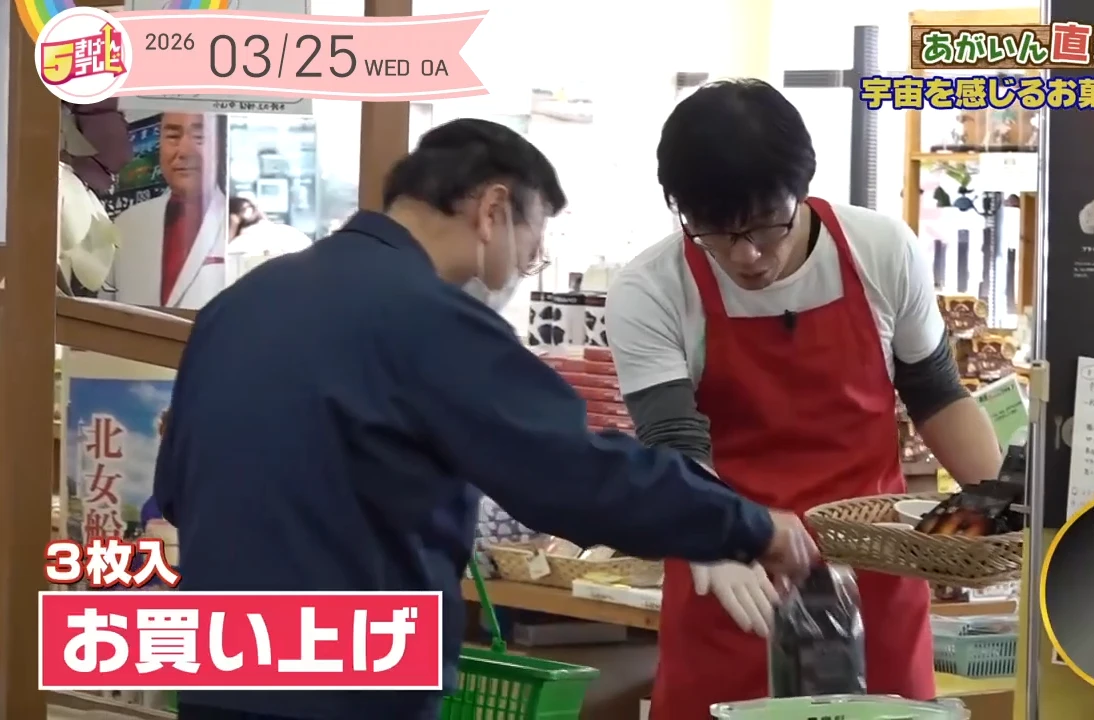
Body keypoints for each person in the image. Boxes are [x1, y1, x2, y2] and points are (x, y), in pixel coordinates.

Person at [154, 118, 819, 720]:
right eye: (533, 244)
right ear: (493, 210)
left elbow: (177, 492)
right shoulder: (428, 317)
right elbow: (574, 473)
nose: (524, 269)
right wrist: (751, 526)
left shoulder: (238, 307)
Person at [605, 79, 1004, 718]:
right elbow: (674, 443)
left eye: (768, 225)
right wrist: (715, 540)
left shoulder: (880, 250)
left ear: (804, 190)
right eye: (716, 231)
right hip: (734, 581)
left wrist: (1004, 506)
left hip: (875, 581)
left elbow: (937, 396)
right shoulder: (651, 289)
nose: (747, 254)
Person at [112, 112, 228, 309]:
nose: (184, 151)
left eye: (199, 137)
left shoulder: (244, 228)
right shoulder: (126, 224)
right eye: (173, 136)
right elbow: (104, 314)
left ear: (221, 145)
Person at [225, 195, 313, 283]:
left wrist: (230, 235)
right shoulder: (293, 233)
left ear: (232, 220)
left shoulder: (236, 248)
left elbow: (224, 283)